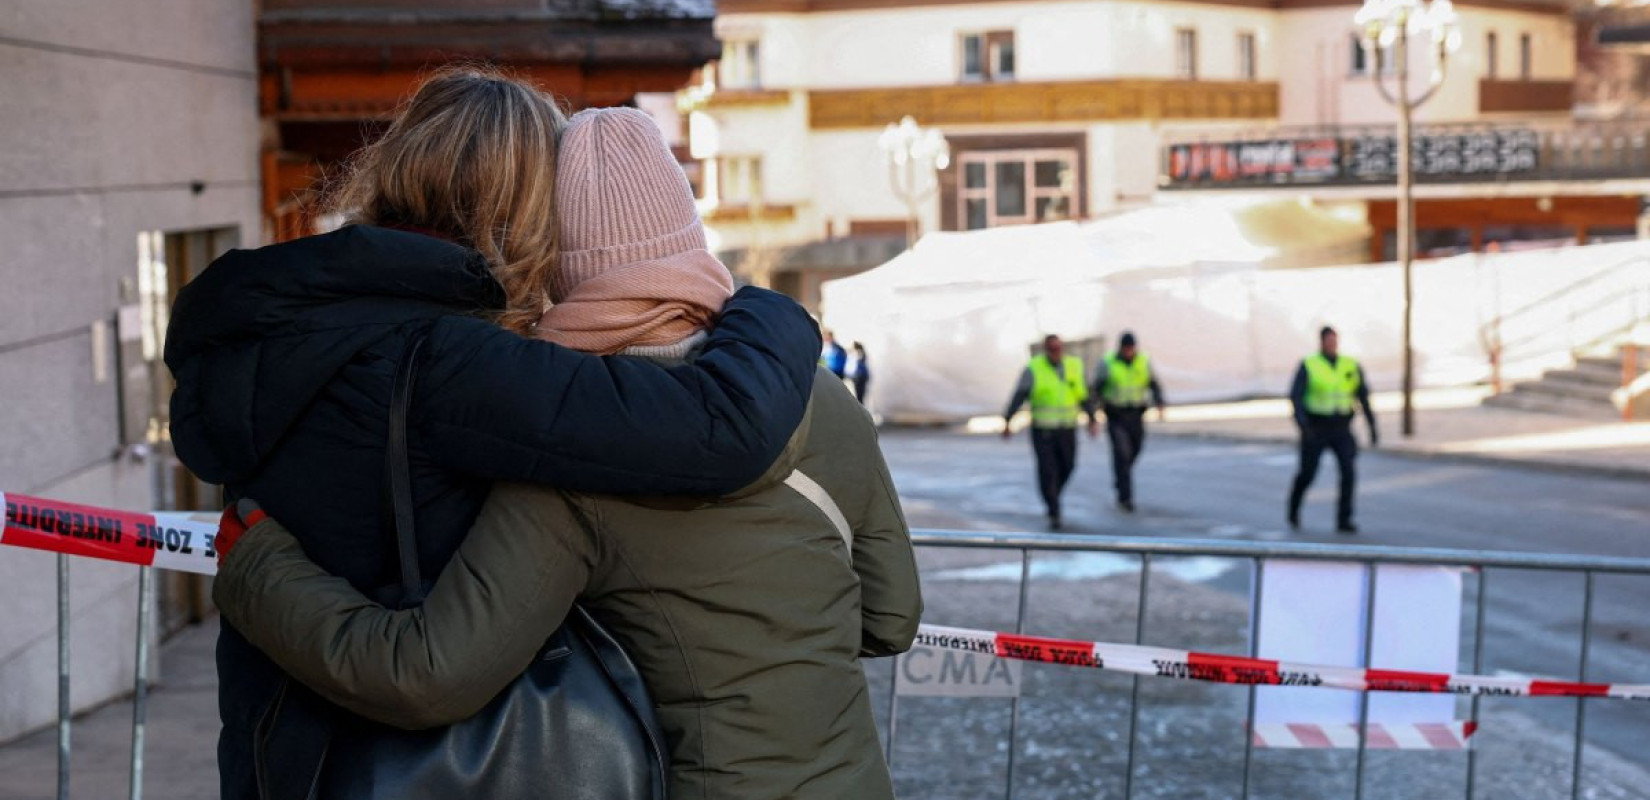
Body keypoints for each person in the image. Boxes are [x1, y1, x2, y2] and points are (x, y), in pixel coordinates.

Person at [210, 107, 920, 800]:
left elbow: (428, 674)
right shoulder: (820, 396)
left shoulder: (568, 463)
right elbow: (890, 620)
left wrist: (259, 567)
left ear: (556, 262)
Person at [1286, 326, 1378, 534]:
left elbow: (1363, 396)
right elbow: (1296, 396)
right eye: (1328, 340)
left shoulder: (1350, 364)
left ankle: (1344, 519)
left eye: (1334, 340)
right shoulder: (1310, 364)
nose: (1332, 344)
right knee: (1307, 474)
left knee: (1348, 472)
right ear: (1321, 342)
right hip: (1315, 428)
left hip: (1341, 428)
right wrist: (1303, 425)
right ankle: (1294, 509)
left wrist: (1372, 426)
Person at [1002, 334, 1096, 530]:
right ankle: (1054, 510)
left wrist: (1092, 418)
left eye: (1059, 348)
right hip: (1043, 430)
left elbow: (1083, 394)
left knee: (1068, 466)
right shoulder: (1034, 368)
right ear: (1046, 350)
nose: (1056, 352)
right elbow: (1019, 394)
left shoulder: (1074, 366)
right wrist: (1008, 420)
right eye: (1052, 349)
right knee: (1047, 470)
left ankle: (1053, 495)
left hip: (1067, 428)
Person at [1092, 331, 1166, 513]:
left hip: (1136, 414)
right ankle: (1125, 497)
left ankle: (1120, 477)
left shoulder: (1143, 361)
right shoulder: (1108, 362)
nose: (1129, 352)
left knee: (1135, 449)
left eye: (1131, 348)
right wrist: (1092, 413)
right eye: (1126, 348)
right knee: (1122, 454)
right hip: (1116, 415)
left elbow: (1153, 383)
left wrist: (1160, 403)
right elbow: (1097, 388)